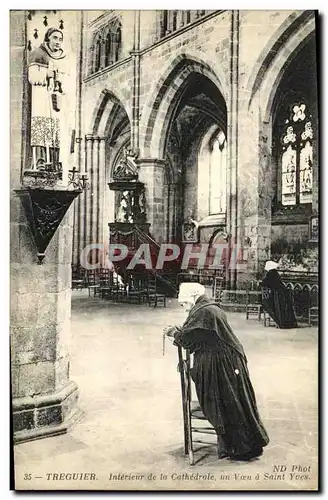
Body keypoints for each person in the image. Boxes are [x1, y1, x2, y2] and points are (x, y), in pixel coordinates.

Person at [164, 283, 269, 461]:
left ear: (193, 297)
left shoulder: (204, 311)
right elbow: (199, 336)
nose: (183, 307)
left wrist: (173, 332)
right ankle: (243, 445)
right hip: (226, 360)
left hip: (221, 363)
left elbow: (189, 340)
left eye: (183, 303)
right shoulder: (207, 308)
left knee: (227, 404)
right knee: (234, 402)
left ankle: (241, 448)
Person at [28, 28, 71, 182]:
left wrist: (60, 79)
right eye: (55, 38)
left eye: (60, 39)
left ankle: (54, 164)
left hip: (56, 100)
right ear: (48, 39)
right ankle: (39, 162)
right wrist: (47, 74)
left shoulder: (62, 58)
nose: (58, 42)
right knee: (41, 128)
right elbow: (32, 78)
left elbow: (67, 83)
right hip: (42, 99)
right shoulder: (38, 54)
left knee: (56, 131)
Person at [262, 261, 298, 329]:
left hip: (278, 294)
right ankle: (286, 323)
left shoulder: (271, 273)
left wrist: (260, 283)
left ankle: (280, 322)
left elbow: (265, 282)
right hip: (282, 293)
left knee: (269, 304)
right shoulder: (275, 272)